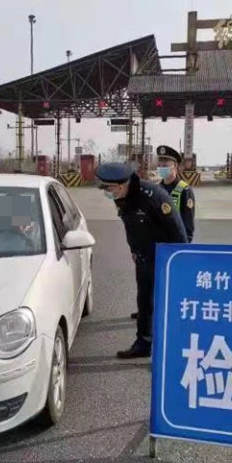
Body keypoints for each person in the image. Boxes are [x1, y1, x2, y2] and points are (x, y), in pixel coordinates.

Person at [95, 161, 187, 358]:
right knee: (144, 300)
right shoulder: (122, 197)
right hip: (144, 256)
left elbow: (177, 231)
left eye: (108, 188)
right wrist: (135, 250)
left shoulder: (153, 197)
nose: (106, 193)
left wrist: (179, 261)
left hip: (164, 257)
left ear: (120, 186)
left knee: (168, 301)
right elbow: (132, 226)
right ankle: (144, 343)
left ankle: (176, 345)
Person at [130, 145, 196, 320]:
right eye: (160, 164)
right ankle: (147, 310)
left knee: (170, 282)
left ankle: (169, 312)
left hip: (172, 246)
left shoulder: (184, 190)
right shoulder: (155, 190)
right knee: (150, 282)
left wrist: (182, 250)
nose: (162, 167)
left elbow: (188, 225)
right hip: (154, 246)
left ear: (175, 166)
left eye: (166, 164)